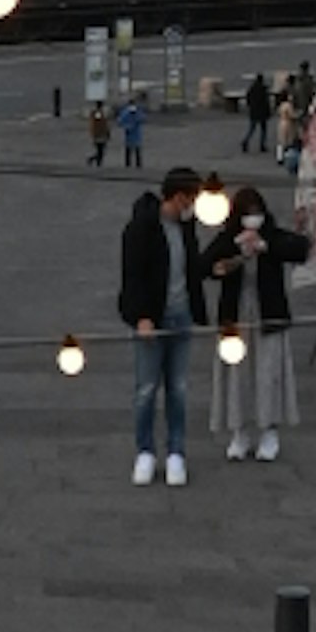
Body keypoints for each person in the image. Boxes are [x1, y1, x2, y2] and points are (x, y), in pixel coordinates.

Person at [118, 162, 207, 485]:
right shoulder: (142, 227)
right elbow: (133, 277)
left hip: (181, 315)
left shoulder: (187, 228)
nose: (193, 206)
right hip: (152, 320)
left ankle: (176, 453)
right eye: (191, 199)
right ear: (178, 197)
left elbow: (193, 267)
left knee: (179, 389)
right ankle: (144, 451)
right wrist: (141, 316)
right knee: (146, 389)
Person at [216, 190, 299, 462]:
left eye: (257, 212)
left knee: (269, 372)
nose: (253, 219)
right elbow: (206, 264)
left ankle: (269, 430)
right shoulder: (228, 237)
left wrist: (266, 247)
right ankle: (239, 431)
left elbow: (299, 248)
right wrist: (231, 257)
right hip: (237, 316)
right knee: (237, 374)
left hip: (268, 314)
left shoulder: (272, 234)